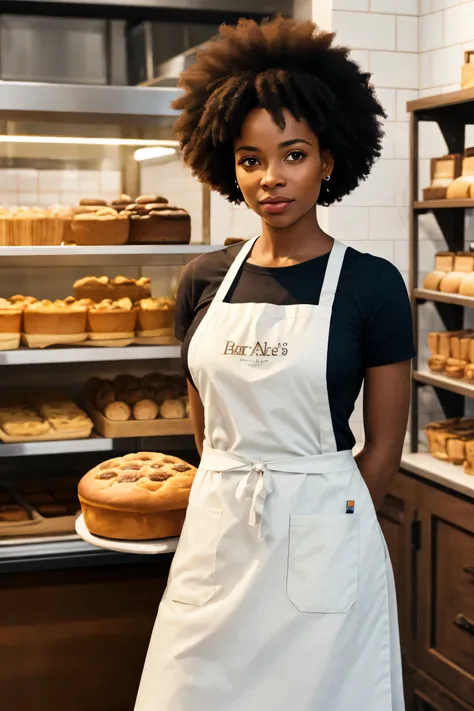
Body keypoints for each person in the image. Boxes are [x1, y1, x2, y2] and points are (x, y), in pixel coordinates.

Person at [135, 16, 415, 711]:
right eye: (250, 159)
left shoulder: (371, 285)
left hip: (324, 535)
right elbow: (203, 424)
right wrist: (229, 490)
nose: (271, 178)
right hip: (219, 538)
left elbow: (384, 446)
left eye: (292, 155)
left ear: (328, 158)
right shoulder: (204, 277)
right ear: (225, 165)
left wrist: (336, 520)